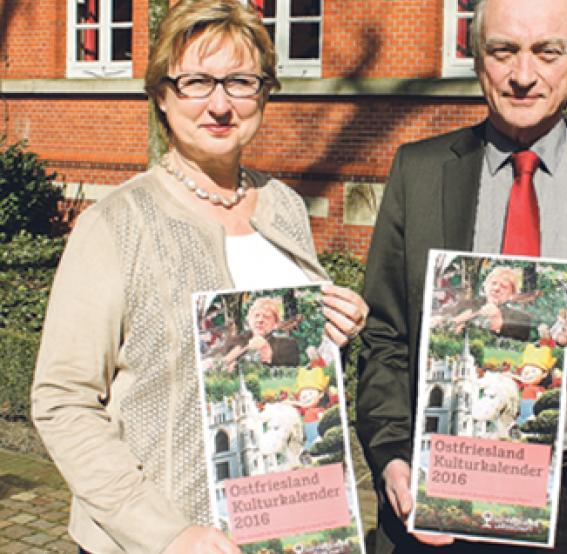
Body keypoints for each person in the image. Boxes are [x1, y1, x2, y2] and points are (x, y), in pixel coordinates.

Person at [30, 2, 369, 553]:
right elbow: (63, 400)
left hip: (285, 524)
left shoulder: (282, 205)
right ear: (161, 95)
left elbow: (292, 362)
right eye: (195, 82)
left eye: (240, 81)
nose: (219, 104)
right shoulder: (116, 223)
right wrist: (164, 533)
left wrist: (335, 330)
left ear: (264, 93)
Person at [355, 0, 567, 552]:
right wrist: (392, 454)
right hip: (442, 486)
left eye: (547, 52)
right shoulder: (419, 171)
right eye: (503, 51)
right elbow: (384, 335)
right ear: (478, 59)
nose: (523, 75)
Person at [433, 265, 532, 340]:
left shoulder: (521, 319)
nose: (496, 288)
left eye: (504, 286)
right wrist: (442, 320)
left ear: (512, 294)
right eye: (493, 283)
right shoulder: (465, 304)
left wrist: (498, 321)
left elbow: (518, 344)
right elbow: (442, 314)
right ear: (485, 286)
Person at [222, 296, 301, 368]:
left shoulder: (288, 344)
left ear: (275, 323)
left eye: (266, 317)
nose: (260, 320)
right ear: (249, 320)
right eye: (256, 315)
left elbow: (291, 370)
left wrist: (267, 352)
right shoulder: (234, 341)